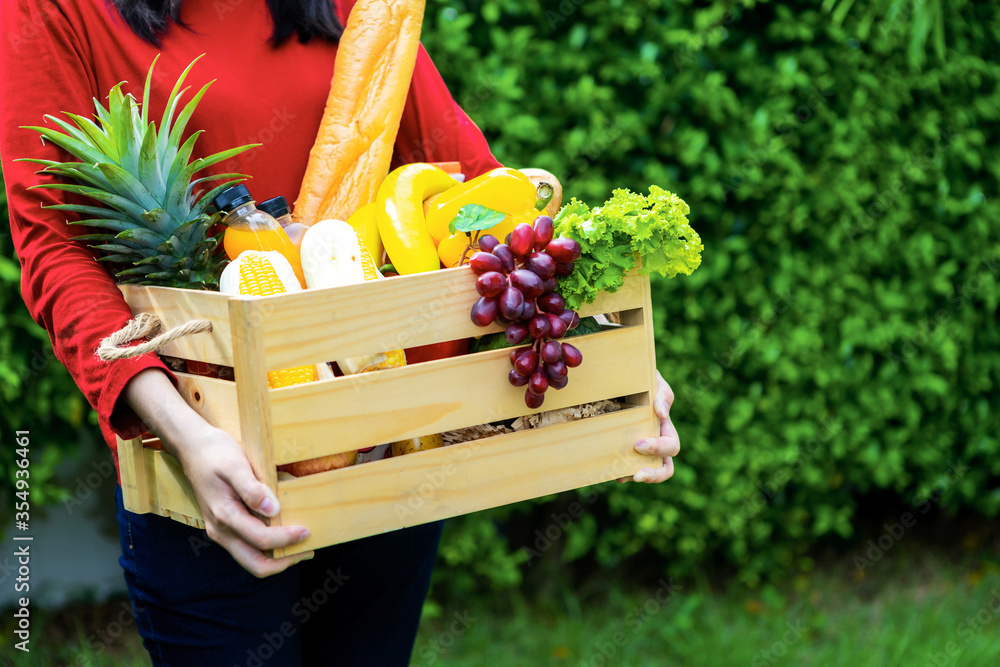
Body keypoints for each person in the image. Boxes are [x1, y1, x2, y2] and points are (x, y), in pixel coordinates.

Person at [0, 0, 681, 664]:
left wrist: (601, 348)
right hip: (211, 461)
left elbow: (474, 185)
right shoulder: (53, 9)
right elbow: (52, 242)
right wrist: (184, 432)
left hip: (387, 433)